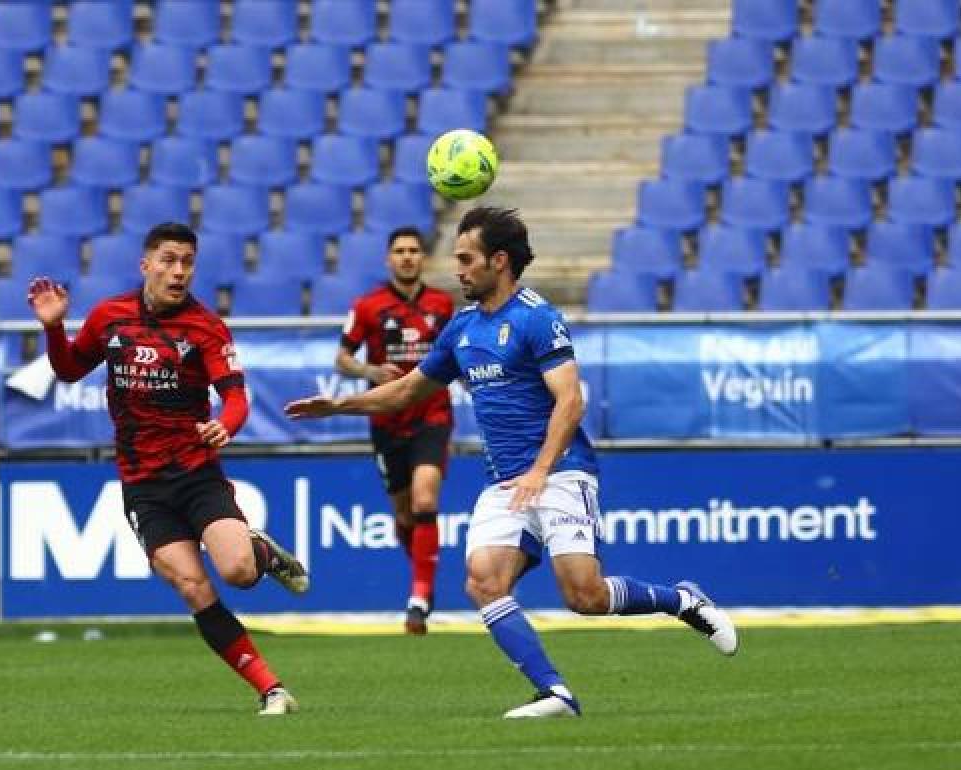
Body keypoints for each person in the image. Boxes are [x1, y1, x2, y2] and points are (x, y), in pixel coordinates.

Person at [287, 207, 738, 718]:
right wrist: (340, 404)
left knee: (584, 596)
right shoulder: (460, 329)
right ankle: (554, 692)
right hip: (506, 482)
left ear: (498, 261)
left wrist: (542, 469)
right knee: (483, 581)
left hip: (562, 471)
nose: (456, 269)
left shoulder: (536, 317)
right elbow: (410, 390)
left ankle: (683, 600)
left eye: (465, 258)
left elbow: (571, 402)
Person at [27, 222, 309, 716]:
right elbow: (70, 369)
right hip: (143, 485)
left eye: (187, 262)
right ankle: (272, 689)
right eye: (169, 260)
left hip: (197, 473)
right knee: (193, 587)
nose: (179, 271)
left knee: (238, 572)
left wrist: (227, 424)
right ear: (146, 265)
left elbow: (237, 395)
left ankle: (259, 552)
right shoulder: (109, 317)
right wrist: (54, 328)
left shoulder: (205, 327)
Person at [336, 227, 454, 635]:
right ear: (389, 259)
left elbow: (460, 353)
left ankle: (419, 597)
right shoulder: (368, 305)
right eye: (400, 251)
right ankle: (423, 575)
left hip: (431, 418)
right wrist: (370, 371)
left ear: (423, 258)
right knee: (404, 513)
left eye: (413, 251)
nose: (407, 257)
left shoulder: (443, 305)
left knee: (425, 500)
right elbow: (342, 358)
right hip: (386, 421)